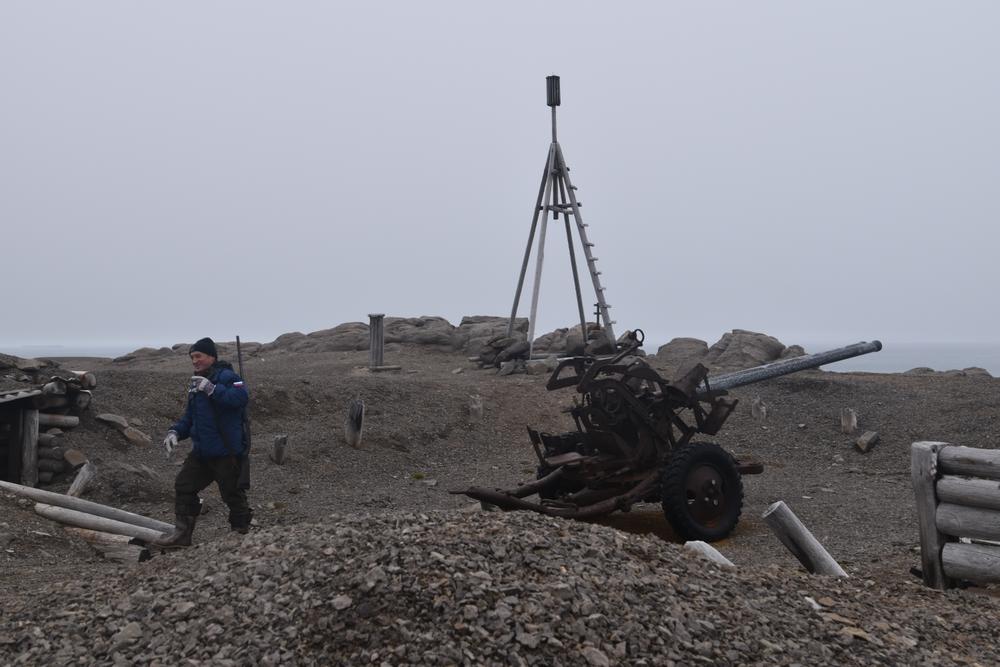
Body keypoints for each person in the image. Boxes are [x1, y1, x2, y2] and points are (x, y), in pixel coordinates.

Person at [153, 337, 252, 548]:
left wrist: (213, 390)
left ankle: (241, 533)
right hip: (202, 452)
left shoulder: (228, 376)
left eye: (198, 356)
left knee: (232, 494)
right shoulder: (196, 383)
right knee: (184, 485)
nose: (194, 361)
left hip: (226, 451)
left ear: (211, 356)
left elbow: (241, 398)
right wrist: (175, 432)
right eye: (192, 357)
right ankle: (182, 535)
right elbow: (190, 417)